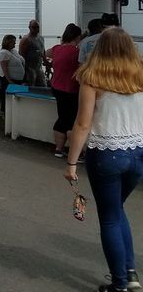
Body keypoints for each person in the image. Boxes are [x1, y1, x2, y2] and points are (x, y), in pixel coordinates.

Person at [64, 27, 143, 292]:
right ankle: (130, 274)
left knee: (109, 217)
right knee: (117, 210)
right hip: (137, 152)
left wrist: (71, 163)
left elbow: (83, 124)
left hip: (106, 153)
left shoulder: (92, 77)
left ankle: (120, 283)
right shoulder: (140, 75)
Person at [47, 23, 82, 159]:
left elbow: (45, 53)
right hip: (71, 89)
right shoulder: (77, 52)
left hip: (56, 87)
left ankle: (58, 149)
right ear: (77, 37)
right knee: (72, 120)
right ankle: (75, 153)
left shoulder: (56, 49)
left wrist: (49, 63)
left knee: (62, 117)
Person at [0, 34, 25, 113]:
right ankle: (4, 111)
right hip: (8, 78)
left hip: (17, 78)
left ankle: (14, 110)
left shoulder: (13, 51)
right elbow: (4, 67)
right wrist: (9, 80)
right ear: (7, 42)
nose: (14, 44)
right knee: (7, 95)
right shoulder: (4, 53)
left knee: (15, 95)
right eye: (13, 42)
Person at [19, 19, 47, 86]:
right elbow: (21, 56)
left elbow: (43, 51)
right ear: (29, 28)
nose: (36, 29)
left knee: (43, 86)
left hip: (39, 67)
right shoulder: (26, 39)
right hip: (29, 68)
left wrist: (46, 63)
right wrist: (24, 70)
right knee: (31, 87)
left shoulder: (41, 38)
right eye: (34, 27)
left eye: (37, 27)